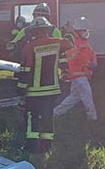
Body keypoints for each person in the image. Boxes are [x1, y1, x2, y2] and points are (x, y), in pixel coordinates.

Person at [17, 17, 63, 153]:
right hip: (52, 90)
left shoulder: (29, 47)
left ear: (32, 32)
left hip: (34, 91)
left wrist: (20, 90)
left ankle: (32, 147)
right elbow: (69, 44)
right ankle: (46, 146)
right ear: (47, 29)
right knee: (48, 117)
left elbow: (25, 71)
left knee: (32, 117)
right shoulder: (57, 43)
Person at [54, 26, 97, 121]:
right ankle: (92, 117)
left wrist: (93, 63)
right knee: (87, 94)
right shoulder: (75, 43)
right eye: (84, 30)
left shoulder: (84, 42)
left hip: (81, 74)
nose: (86, 32)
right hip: (78, 75)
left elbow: (92, 54)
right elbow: (74, 58)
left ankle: (57, 112)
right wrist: (89, 64)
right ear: (79, 31)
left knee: (74, 97)